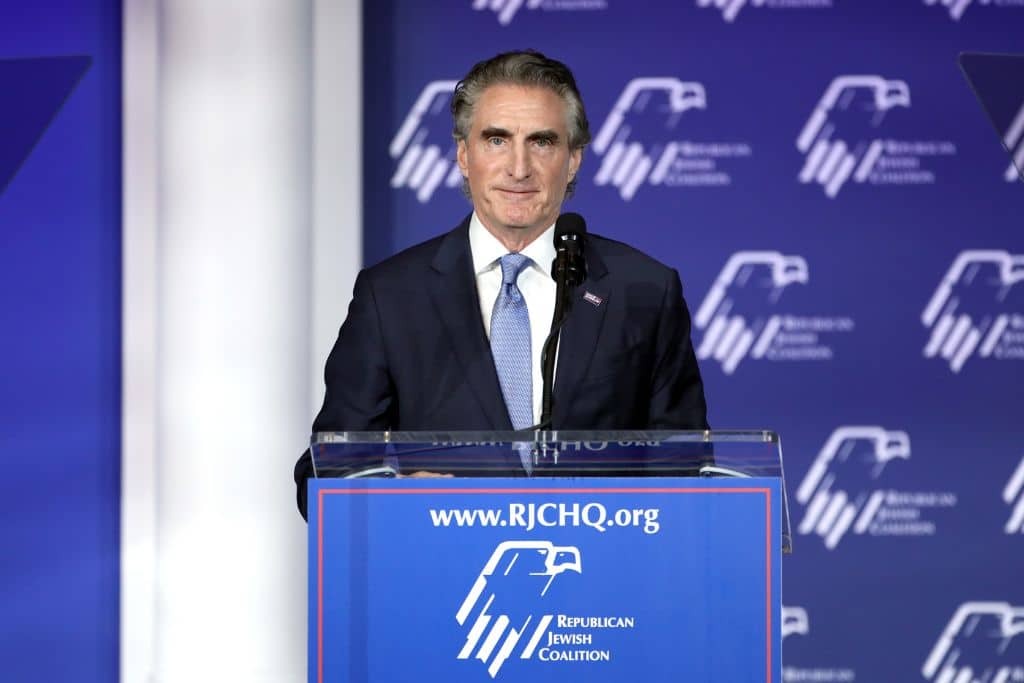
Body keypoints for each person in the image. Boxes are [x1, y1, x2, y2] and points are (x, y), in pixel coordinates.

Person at [294, 50, 708, 518]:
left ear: (573, 160)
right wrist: (394, 500)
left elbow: (685, 468)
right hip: (446, 577)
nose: (518, 167)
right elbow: (323, 472)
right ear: (463, 155)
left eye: (543, 142)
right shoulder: (390, 296)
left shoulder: (645, 290)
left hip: (602, 579)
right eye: (496, 140)